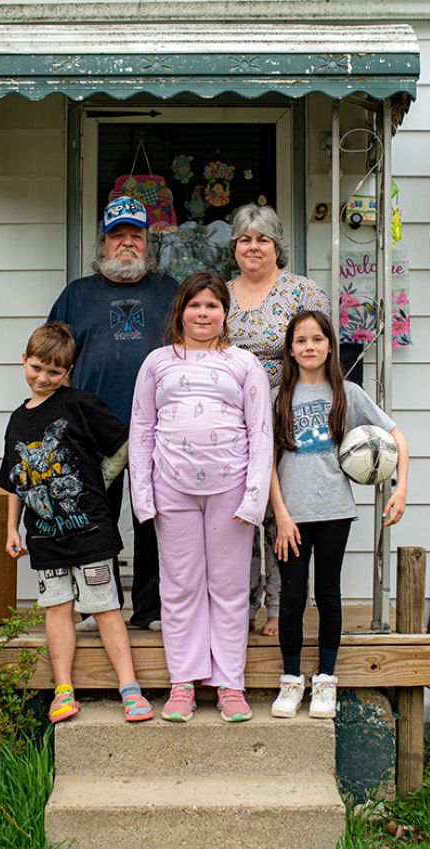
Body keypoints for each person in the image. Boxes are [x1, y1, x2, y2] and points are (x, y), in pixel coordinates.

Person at [129, 272, 272, 723]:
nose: (203, 313)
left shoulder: (244, 364)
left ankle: (230, 684)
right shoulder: (157, 363)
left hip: (230, 489)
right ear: (181, 311)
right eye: (195, 305)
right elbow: (141, 430)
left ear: (225, 312)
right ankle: (183, 682)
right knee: (181, 586)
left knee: (229, 590)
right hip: (173, 488)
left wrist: (254, 497)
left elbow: (261, 433)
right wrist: (143, 497)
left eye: (212, 305)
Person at [0, 322, 153, 725]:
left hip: (91, 532)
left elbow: (125, 444)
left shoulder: (81, 405)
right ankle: (63, 689)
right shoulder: (16, 421)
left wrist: (98, 482)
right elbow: (14, 480)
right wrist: (11, 527)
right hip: (45, 537)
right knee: (57, 609)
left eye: (54, 372)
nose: (43, 378)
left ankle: (130, 688)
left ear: (68, 372)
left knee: (105, 608)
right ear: (24, 361)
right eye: (36, 368)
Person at [267, 310, 409, 719]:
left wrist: (401, 488)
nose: (309, 347)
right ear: (290, 350)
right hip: (292, 516)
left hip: (334, 511)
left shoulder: (348, 393)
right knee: (292, 597)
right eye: (300, 341)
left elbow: (396, 435)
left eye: (316, 339)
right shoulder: (280, 398)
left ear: (329, 345)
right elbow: (267, 461)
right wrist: (280, 514)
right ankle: (292, 680)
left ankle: (326, 679)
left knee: (328, 593)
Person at [48, 196, 178, 632]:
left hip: (159, 427)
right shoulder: (76, 295)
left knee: (154, 518)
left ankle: (151, 610)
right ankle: (95, 608)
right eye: (117, 236)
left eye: (135, 236)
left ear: (148, 243)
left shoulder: (170, 292)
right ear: (102, 244)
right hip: (91, 431)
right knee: (94, 521)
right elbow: (53, 360)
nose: (126, 244)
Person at [225, 203, 330, 638]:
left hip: (288, 416)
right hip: (230, 420)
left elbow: (324, 356)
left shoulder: (303, 293)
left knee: (281, 513)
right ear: (234, 247)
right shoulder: (219, 294)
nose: (253, 247)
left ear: (276, 246)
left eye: (262, 239)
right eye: (245, 239)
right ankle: (242, 603)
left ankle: (279, 608)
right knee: (240, 512)